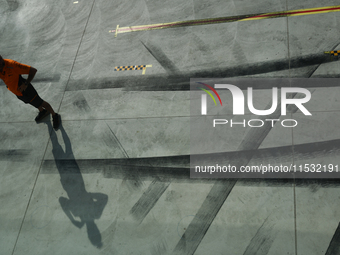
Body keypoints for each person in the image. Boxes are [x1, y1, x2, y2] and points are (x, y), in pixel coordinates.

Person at [0, 55, 60, 129]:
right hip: (18, 92)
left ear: (1, 60)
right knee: (32, 102)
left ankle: (54, 115)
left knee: (40, 102)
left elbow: (33, 70)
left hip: (27, 90)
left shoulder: (12, 65)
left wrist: (25, 84)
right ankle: (43, 111)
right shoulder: (0, 68)